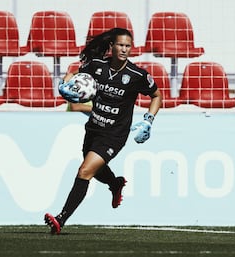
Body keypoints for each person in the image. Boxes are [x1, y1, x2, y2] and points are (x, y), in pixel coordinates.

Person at [44, 28, 163, 234]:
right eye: (120, 45)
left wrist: (148, 120)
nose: (124, 49)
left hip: (114, 134)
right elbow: (74, 75)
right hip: (93, 128)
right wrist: (65, 84)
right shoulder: (97, 66)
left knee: (85, 171)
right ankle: (115, 184)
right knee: (94, 169)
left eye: (128, 46)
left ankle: (61, 219)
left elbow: (157, 95)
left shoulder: (137, 75)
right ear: (112, 46)